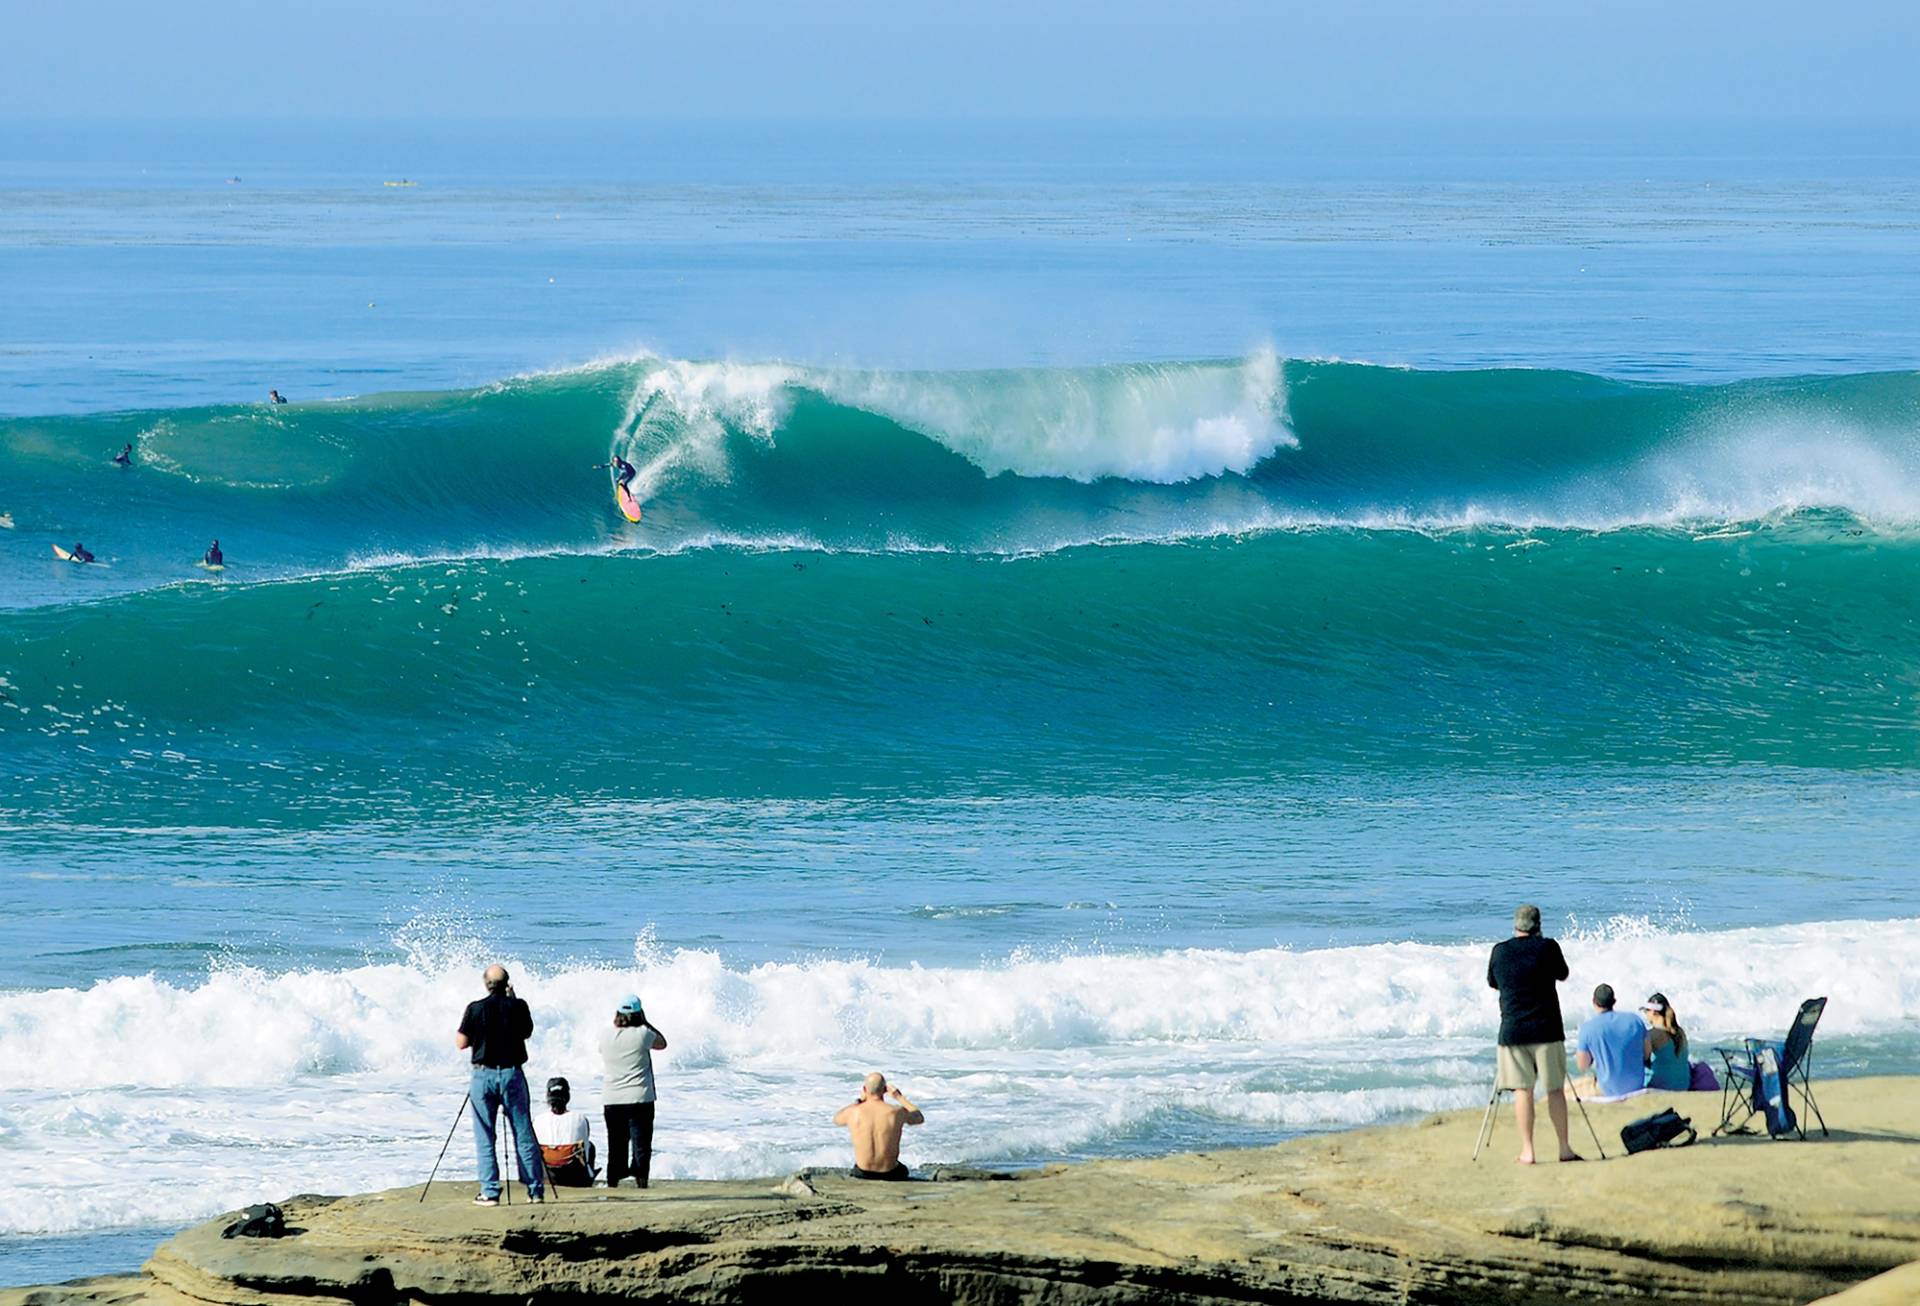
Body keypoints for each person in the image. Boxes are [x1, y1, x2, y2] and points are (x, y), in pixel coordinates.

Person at [1486, 904, 1580, 1165]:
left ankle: (1528, 1151)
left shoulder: (1500, 951)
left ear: (1515, 926)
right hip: (1547, 1030)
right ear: (1538, 926)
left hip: (1513, 1032)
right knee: (1555, 1090)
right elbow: (1563, 974)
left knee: (1522, 1091)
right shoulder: (1547, 947)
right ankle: (1564, 1148)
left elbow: (1493, 982)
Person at [455, 964, 544, 1206]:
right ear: (507, 984)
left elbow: (461, 1043)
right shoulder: (519, 1006)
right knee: (523, 1132)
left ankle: (490, 1191)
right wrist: (513, 998)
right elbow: (526, 1032)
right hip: (512, 1074)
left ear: (486, 984)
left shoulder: (475, 1008)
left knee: (485, 1134)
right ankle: (535, 1191)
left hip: (483, 1076)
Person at [599, 994, 666, 1188]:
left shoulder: (605, 1034)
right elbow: (662, 1043)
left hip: (612, 1098)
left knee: (616, 1144)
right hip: (640, 1098)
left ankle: (613, 1181)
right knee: (641, 1144)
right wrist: (645, 1022)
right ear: (639, 1014)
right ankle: (641, 1181)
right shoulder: (644, 1033)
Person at [832, 1072, 925, 1180]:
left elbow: (836, 1119)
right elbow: (919, 1118)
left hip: (862, 1172)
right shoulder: (896, 1112)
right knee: (904, 1170)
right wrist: (899, 1097)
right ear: (885, 1090)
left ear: (864, 1089)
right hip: (890, 1172)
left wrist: (860, 1101)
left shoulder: (853, 1112)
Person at [1575, 983, 1649, 1099]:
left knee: (1571, 1088)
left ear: (1594, 1002)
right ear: (1614, 1001)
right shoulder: (1635, 1020)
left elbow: (1582, 1065)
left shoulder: (1588, 1028)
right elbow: (1647, 1054)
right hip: (1637, 1087)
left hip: (1607, 1091)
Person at [532, 1076, 596, 1187]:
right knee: (590, 1146)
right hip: (574, 1176)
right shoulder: (580, 1118)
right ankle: (588, 1177)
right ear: (567, 1096)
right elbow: (585, 1147)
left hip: (547, 1175)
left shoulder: (538, 1119)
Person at [1642, 992, 1692, 1091]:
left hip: (1661, 1087)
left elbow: (1640, 1058)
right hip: (1683, 1086)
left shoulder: (1653, 1035)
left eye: (1646, 1011)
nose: (1645, 1014)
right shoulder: (1680, 1032)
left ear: (1653, 1012)